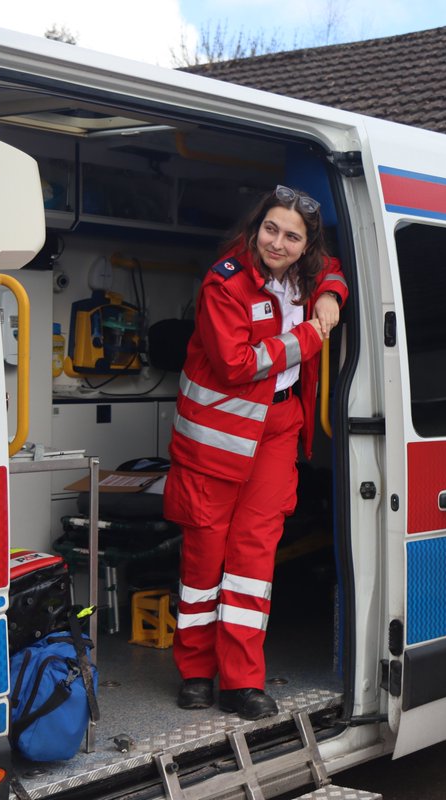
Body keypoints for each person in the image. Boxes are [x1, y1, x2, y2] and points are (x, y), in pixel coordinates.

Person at [162, 185, 348, 721]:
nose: (279, 242)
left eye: (293, 236)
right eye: (271, 229)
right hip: (215, 443)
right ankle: (196, 671)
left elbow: (335, 269)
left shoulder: (309, 276)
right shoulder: (224, 283)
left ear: (305, 245)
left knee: (252, 561)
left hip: (279, 428)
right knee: (204, 560)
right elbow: (237, 363)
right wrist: (313, 332)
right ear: (255, 228)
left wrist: (332, 292)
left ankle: (241, 682)